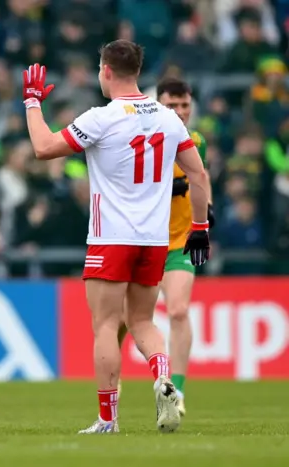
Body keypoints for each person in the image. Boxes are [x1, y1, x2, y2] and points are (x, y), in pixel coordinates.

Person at [21, 40, 210, 434]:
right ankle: (163, 377)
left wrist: (32, 102)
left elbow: (42, 148)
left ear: (106, 70)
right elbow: (199, 174)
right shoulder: (169, 119)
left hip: (112, 237)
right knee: (143, 321)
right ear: (137, 71)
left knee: (106, 326)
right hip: (155, 240)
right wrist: (199, 229)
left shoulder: (100, 118)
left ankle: (108, 420)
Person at [117, 77, 213, 417]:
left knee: (178, 311)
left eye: (185, 105)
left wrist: (207, 212)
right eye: (172, 105)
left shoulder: (195, 140)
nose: (180, 112)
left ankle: (177, 392)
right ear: (157, 104)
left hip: (179, 244)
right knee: (122, 321)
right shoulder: (139, 137)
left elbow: (201, 176)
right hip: (142, 240)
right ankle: (112, 387)